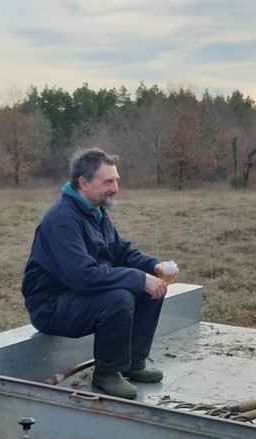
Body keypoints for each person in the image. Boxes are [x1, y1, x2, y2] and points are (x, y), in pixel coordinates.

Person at [21, 148, 177, 400]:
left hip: (78, 297)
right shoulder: (62, 220)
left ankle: (133, 363)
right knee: (120, 297)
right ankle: (107, 372)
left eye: (116, 181)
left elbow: (122, 252)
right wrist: (138, 279)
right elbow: (82, 276)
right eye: (108, 182)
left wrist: (153, 267)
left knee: (152, 289)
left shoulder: (96, 213)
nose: (115, 188)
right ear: (84, 183)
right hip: (51, 306)